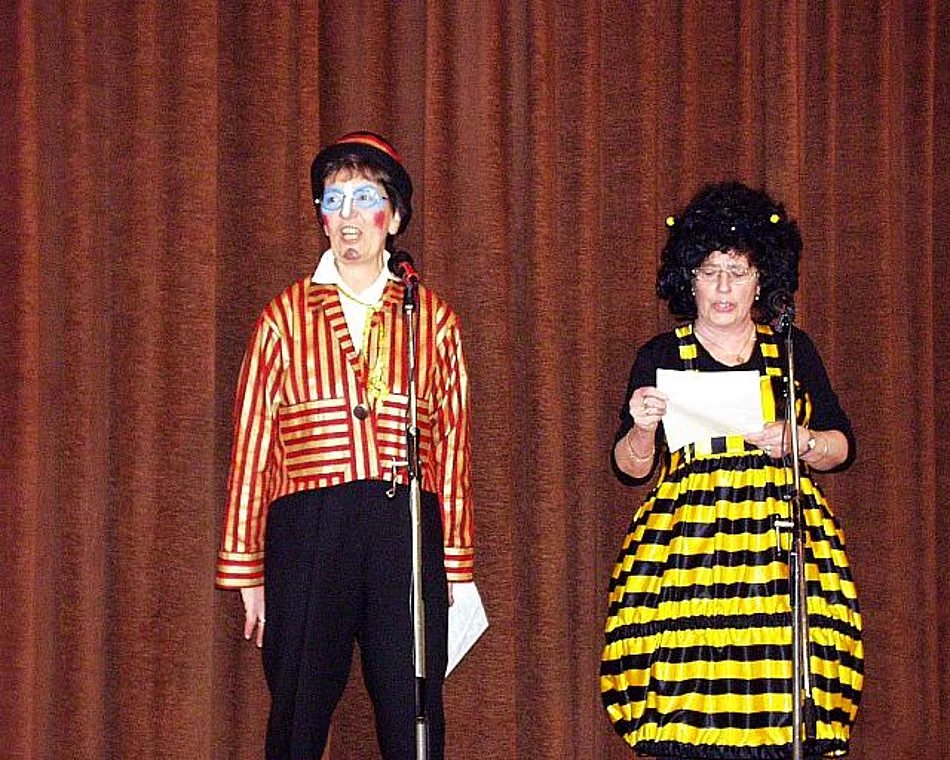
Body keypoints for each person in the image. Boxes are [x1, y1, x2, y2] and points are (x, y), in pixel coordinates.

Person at [215, 131, 474, 760]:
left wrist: (455, 564)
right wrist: (247, 569)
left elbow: (452, 443)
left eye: (365, 198)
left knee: (413, 711)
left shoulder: (431, 318)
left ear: (395, 217)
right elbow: (253, 442)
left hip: (404, 528)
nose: (349, 215)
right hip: (309, 527)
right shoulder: (283, 317)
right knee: (298, 711)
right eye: (334, 200)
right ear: (321, 217)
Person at [600, 182, 863, 759]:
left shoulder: (793, 351)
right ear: (689, 279)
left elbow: (843, 446)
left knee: (784, 693)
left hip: (782, 545)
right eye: (710, 271)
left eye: (737, 272)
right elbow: (629, 468)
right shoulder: (659, 355)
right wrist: (640, 427)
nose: (723, 287)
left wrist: (803, 440)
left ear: (760, 279)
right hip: (688, 551)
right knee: (690, 694)